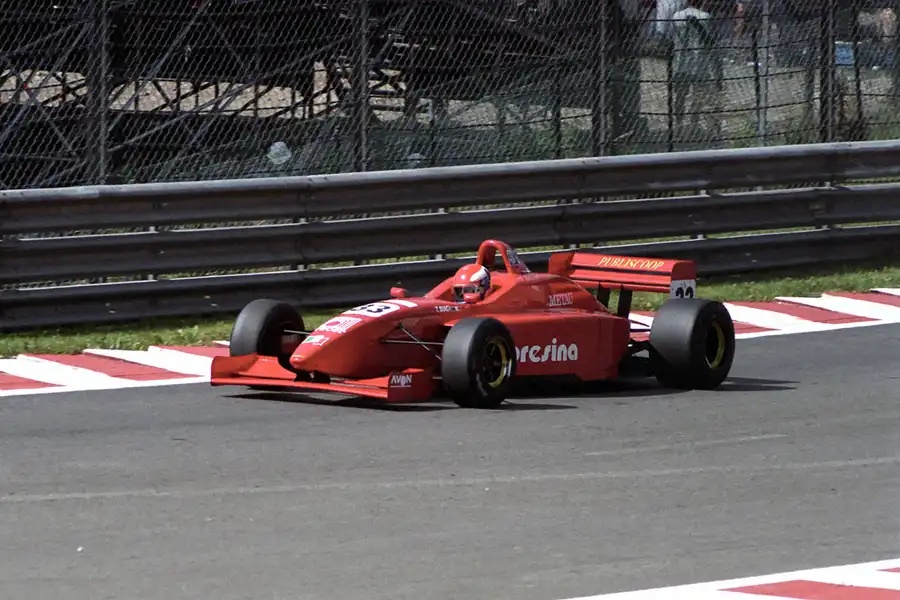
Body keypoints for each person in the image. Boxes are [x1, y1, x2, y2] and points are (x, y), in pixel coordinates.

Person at [670, 0, 724, 139]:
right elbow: (710, 41)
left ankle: (678, 126)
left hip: (680, 62)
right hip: (699, 63)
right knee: (697, 96)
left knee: (680, 96)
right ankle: (693, 125)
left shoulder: (676, 16)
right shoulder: (705, 16)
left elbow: (671, 38)